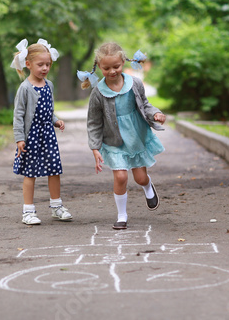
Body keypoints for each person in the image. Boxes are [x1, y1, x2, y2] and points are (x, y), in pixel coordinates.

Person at [78, 42, 166, 230]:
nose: (112, 71)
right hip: (114, 141)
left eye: (116, 67)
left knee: (140, 177)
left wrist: (156, 114)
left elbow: (145, 104)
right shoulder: (98, 93)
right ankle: (122, 215)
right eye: (106, 68)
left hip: (135, 137)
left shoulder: (134, 84)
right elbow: (93, 122)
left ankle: (147, 186)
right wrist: (95, 147)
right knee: (120, 177)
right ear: (99, 67)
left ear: (123, 63)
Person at [11, 38, 73, 225]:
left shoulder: (49, 85)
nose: (45, 68)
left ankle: (56, 206)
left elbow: (49, 110)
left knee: (54, 170)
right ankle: (28, 211)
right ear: (28, 64)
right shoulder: (24, 88)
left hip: (48, 136)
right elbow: (18, 115)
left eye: (48, 64)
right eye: (40, 65)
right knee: (31, 173)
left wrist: (56, 120)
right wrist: (20, 138)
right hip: (31, 137)